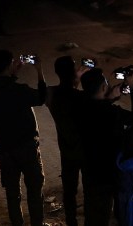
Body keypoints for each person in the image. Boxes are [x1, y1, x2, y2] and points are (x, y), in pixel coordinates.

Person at [0, 49, 48, 226]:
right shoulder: (20, 90)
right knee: (34, 190)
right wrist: (39, 70)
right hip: (27, 147)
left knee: (12, 192)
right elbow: (42, 98)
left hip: (5, 148)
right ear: (10, 65)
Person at [79, 66, 133, 226]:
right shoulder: (111, 113)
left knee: (92, 213)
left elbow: (97, 106)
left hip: (89, 170)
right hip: (108, 172)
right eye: (106, 83)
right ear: (103, 88)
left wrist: (110, 97)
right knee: (107, 213)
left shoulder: (82, 106)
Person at [45, 56, 88, 226]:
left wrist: (74, 79)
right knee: (89, 187)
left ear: (56, 72)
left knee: (69, 190)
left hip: (67, 149)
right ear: (73, 72)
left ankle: (71, 221)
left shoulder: (51, 93)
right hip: (85, 149)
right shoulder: (81, 97)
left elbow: (64, 92)